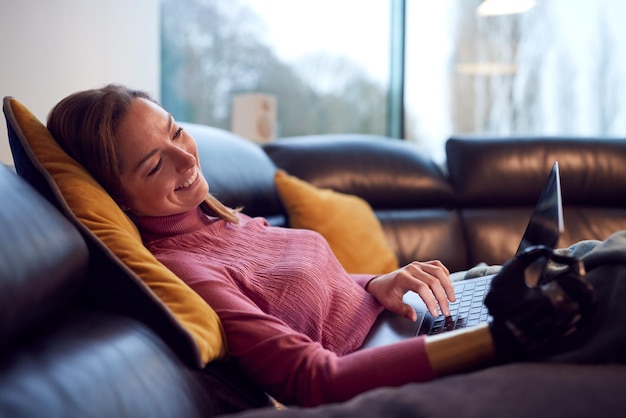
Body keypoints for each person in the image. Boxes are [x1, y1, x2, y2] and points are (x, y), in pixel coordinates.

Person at [46, 84, 592, 407]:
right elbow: (313, 379)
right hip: (396, 362)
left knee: (586, 260)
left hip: (409, 318)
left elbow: (314, 294)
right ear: (116, 196)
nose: (187, 159)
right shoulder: (187, 267)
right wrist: (489, 342)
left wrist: (378, 284)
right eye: (153, 163)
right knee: (598, 284)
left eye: (175, 132)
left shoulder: (219, 221)